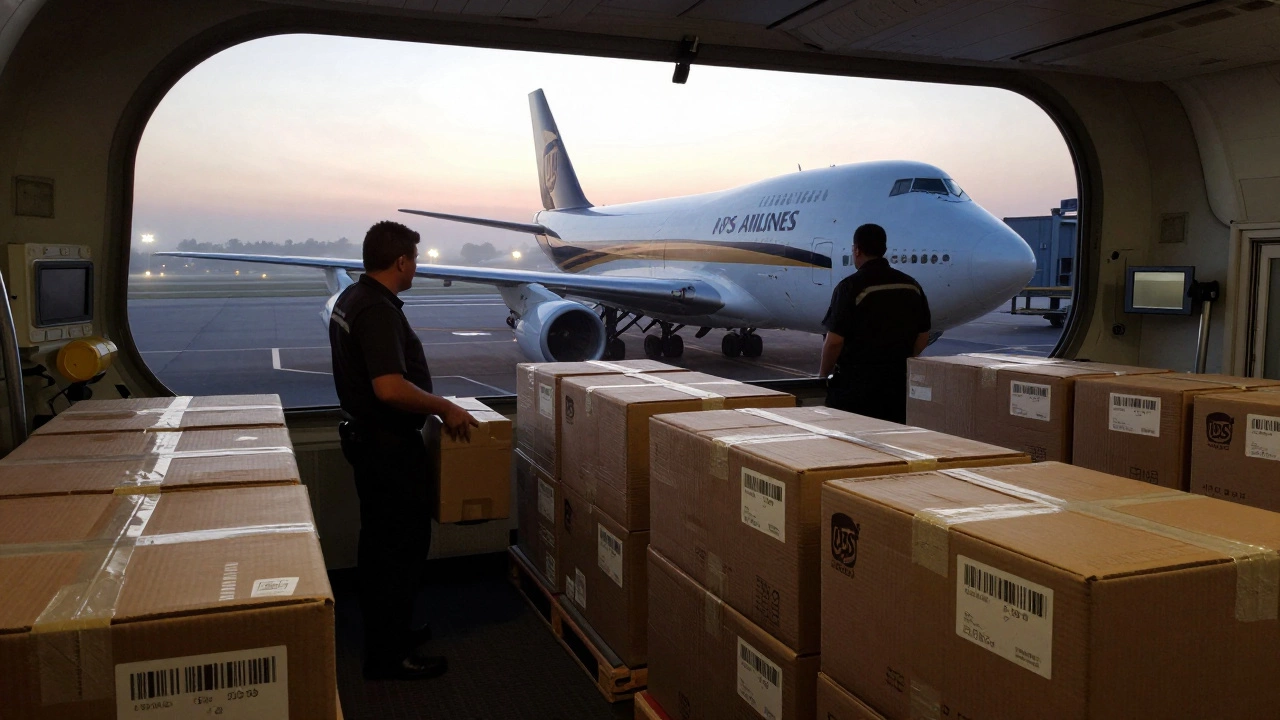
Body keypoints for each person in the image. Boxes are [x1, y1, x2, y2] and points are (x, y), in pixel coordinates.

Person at [329, 220, 478, 681]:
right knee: (399, 551)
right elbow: (390, 388)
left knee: (381, 548)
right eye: (415, 259)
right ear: (400, 261)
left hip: (371, 444)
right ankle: (389, 657)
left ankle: (391, 633)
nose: (417, 267)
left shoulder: (352, 299)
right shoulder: (377, 310)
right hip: (388, 449)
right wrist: (444, 407)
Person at [819, 223, 931, 423]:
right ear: (884, 250)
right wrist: (902, 359)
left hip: (855, 390)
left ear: (857, 250)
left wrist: (822, 376)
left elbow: (834, 341)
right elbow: (923, 335)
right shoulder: (911, 285)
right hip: (897, 389)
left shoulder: (850, 287)